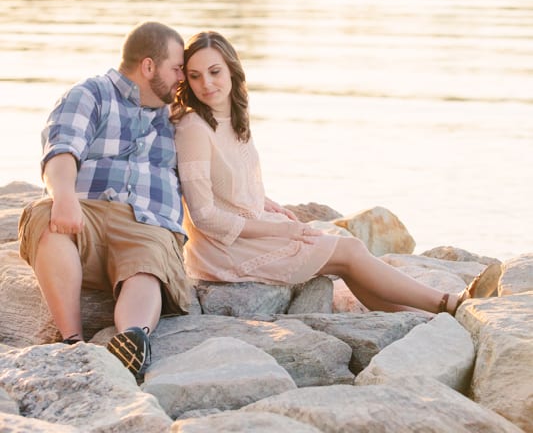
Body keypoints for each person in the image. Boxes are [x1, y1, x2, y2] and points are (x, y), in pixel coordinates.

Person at [171, 30, 500, 316]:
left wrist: (265, 202)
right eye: (196, 76)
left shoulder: (233, 115)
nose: (206, 84)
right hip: (225, 250)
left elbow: (228, 181)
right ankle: (451, 302)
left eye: (214, 72)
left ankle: (425, 318)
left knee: (346, 259)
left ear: (231, 70)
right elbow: (204, 216)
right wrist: (282, 233)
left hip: (251, 230)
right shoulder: (194, 129)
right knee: (350, 251)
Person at [19, 21, 191, 377]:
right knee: (43, 217)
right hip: (88, 216)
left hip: (148, 223)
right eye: (176, 68)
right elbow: (61, 149)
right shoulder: (91, 94)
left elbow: (212, 170)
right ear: (148, 66)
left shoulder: (178, 116)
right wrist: (64, 197)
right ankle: (72, 341)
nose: (182, 78)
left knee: (148, 263)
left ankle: (132, 339)